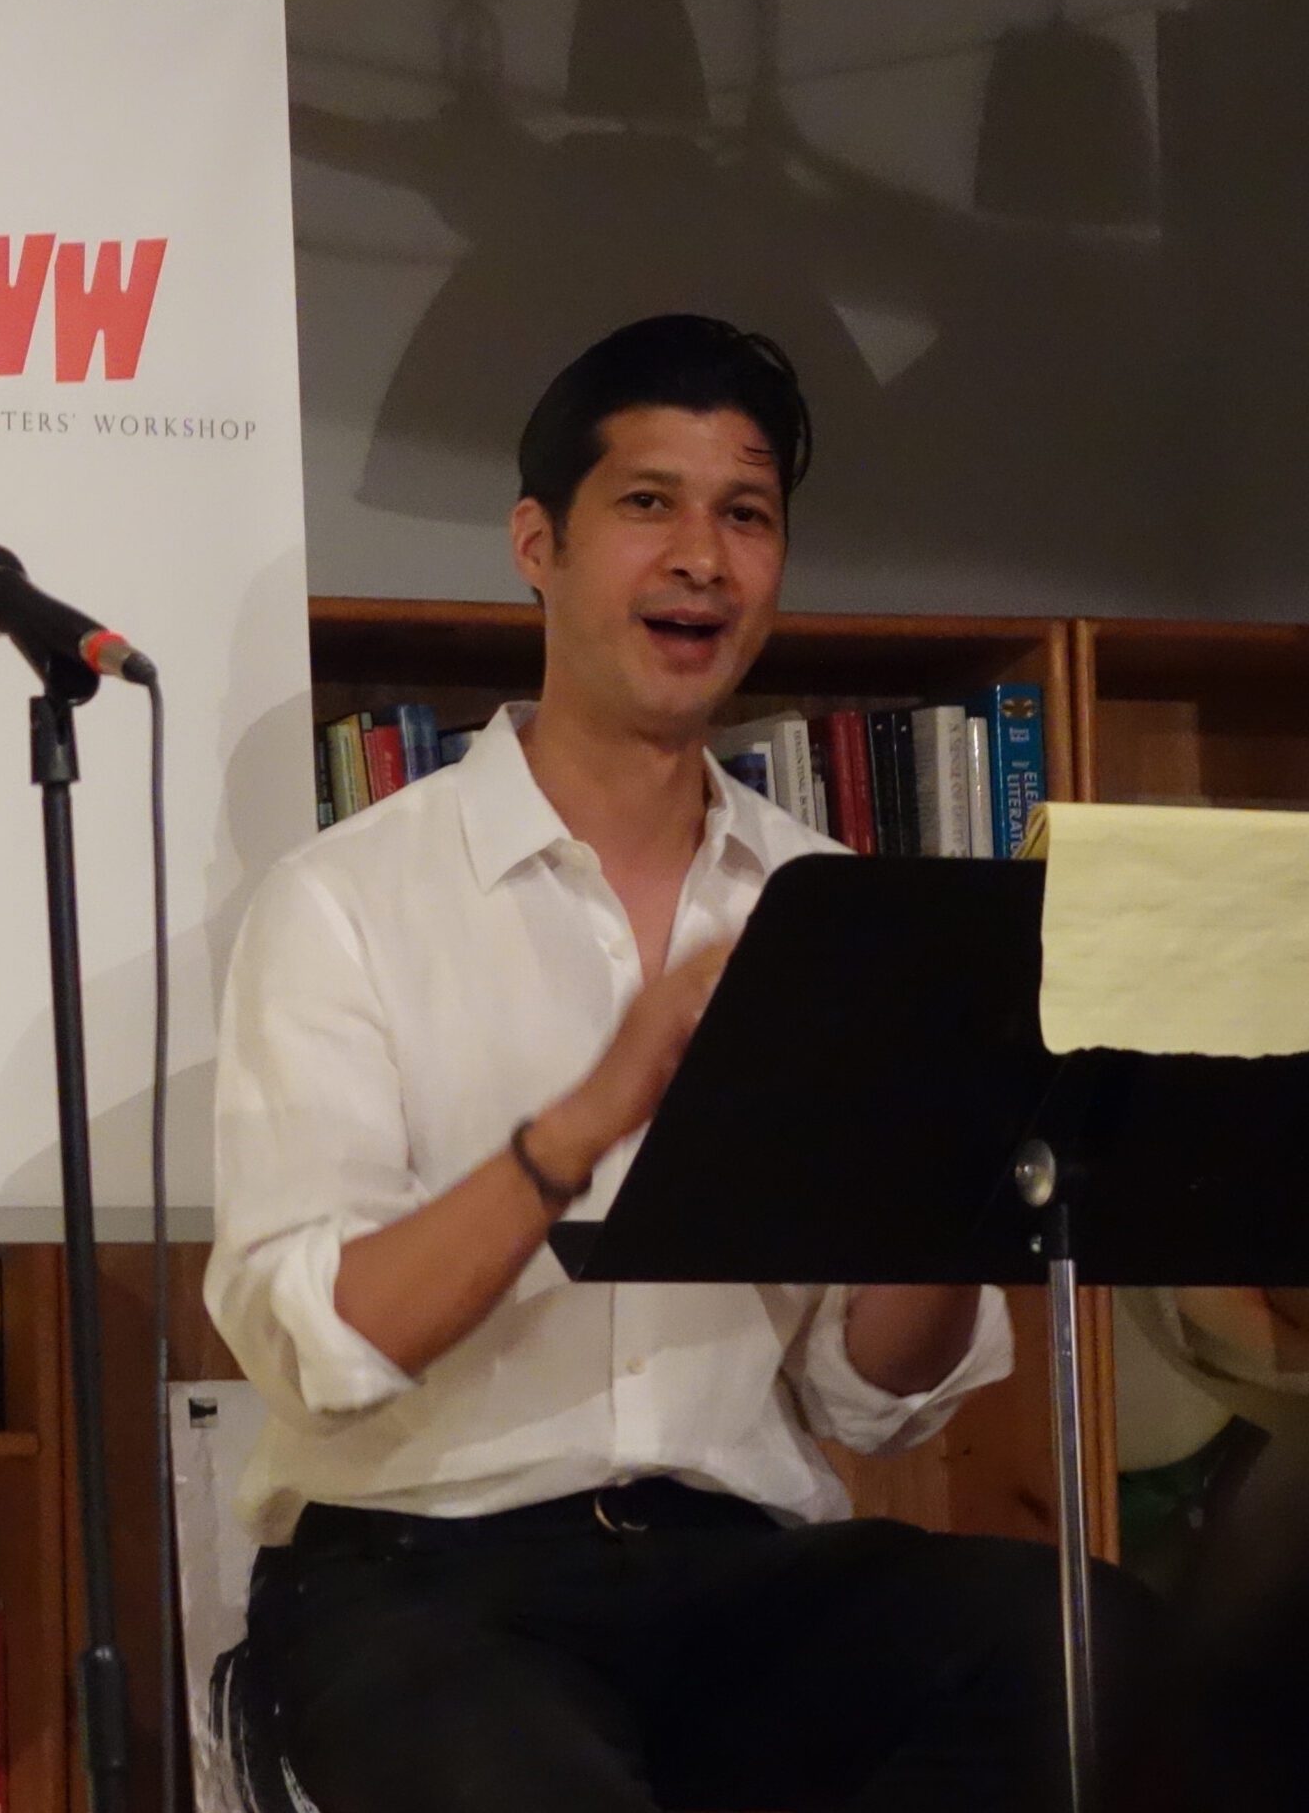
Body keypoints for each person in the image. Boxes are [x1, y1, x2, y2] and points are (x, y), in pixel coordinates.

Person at [206, 313, 1146, 1813]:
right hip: (421, 1584)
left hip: (743, 1576)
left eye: (747, 514)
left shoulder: (831, 901)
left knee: (1094, 1661)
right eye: (649, 503)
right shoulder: (345, 901)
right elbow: (314, 1342)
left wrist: (955, 1162)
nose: (703, 555)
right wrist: (588, 1119)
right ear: (538, 542)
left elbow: (869, 1394)